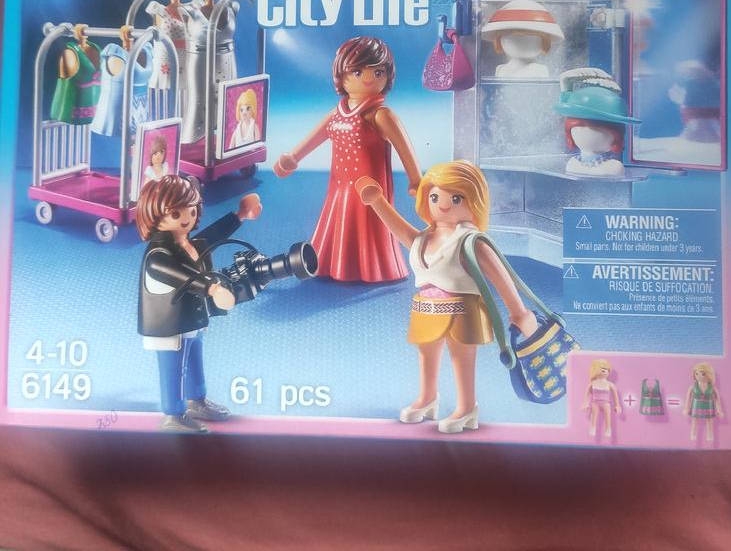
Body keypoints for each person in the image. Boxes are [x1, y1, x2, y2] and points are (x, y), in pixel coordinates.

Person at [355, 160, 539, 433]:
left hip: (462, 308)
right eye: (434, 197)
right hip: (426, 307)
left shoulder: (471, 240)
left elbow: (500, 275)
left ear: (474, 201)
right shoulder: (425, 239)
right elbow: (402, 231)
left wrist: (518, 312)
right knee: (427, 352)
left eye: (455, 198)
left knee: (461, 357)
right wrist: (378, 202)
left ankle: (466, 407)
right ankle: (427, 398)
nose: (443, 205)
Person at [274, 36, 421, 283]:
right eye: (358, 71)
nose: (368, 78)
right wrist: (293, 158)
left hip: (369, 189)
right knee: (338, 221)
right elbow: (316, 136)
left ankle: (374, 269)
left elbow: (404, 148)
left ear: (387, 76)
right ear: (341, 76)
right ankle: (335, 266)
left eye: (378, 72)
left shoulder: (380, 115)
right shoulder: (338, 113)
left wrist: (415, 179)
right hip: (339, 187)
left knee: (369, 225)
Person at [135, 175, 262, 433]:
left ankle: (197, 401)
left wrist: (240, 215)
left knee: (194, 363)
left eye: (191, 210)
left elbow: (213, 235)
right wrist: (212, 288)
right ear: (155, 214)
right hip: (168, 327)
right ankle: (173, 414)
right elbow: (179, 274)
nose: (186, 218)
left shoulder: (189, 244)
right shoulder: (157, 255)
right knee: (173, 369)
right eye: (176, 213)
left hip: (191, 320)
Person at [684, 362, 724, 442]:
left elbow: (717, 399)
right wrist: (686, 408)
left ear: (709, 375)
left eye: (703, 374)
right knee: (695, 420)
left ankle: (710, 436)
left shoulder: (712, 387)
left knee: (709, 421)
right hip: (696, 406)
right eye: (697, 373)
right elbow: (688, 398)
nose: (699, 376)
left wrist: (719, 410)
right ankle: (693, 435)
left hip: (708, 406)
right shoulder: (693, 387)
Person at [582, 358, 621, 438]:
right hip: (595, 403)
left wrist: (617, 405)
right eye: (603, 370)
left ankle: (608, 429)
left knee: (608, 417)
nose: (606, 372)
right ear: (596, 370)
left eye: (607, 370)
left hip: (606, 403)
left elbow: (615, 394)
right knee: (594, 416)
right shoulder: (592, 383)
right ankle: (592, 428)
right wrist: (585, 403)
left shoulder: (610, 384)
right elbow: (587, 394)